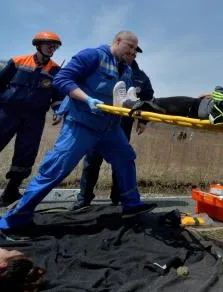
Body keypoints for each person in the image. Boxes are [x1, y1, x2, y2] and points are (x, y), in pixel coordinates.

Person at [0, 31, 157, 235]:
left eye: (135, 49)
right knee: (56, 169)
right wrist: (86, 99)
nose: (133, 51)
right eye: (130, 46)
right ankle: (15, 219)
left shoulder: (127, 70)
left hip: (110, 128)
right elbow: (63, 79)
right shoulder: (92, 56)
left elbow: (122, 97)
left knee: (126, 158)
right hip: (82, 124)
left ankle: (131, 206)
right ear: (117, 41)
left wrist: (133, 107)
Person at [70, 46, 154, 211]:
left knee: (121, 162)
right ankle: (84, 199)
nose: (130, 54)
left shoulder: (141, 77)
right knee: (92, 161)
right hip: (99, 121)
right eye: (128, 51)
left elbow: (148, 98)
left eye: (133, 52)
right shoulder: (106, 68)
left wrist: (143, 121)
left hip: (122, 125)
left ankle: (120, 197)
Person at [0, 31, 64, 207]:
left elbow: (57, 95)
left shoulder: (56, 70)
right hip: (7, 112)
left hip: (34, 117)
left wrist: (58, 111)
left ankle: (11, 191)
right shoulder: (17, 62)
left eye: (55, 46)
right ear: (38, 45)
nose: (52, 48)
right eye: (49, 44)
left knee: (26, 153)